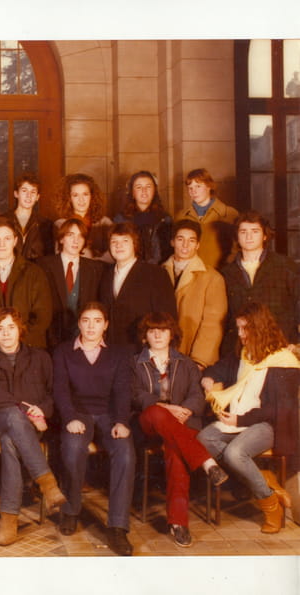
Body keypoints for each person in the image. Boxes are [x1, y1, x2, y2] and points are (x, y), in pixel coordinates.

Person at [197, 302, 300, 534]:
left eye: (246, 328)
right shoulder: (243, 354)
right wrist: (208, 378)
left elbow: (278, 409)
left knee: (235, 453)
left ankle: (270, 505)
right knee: (204, 439)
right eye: (239, 328)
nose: (241, 334)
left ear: (260, 328)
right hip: (238, 420)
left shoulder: (284, 361)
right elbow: (218, 368)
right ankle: (266, 479)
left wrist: (239, 421)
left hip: (268, 424)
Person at [131, 312, 228, 547]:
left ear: (171, 334)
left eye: (163, 330)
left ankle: (178, 523)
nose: (157, 335)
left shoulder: (186, 363)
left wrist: (185, 410)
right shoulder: (134, 363)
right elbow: (135, 394)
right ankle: (207, 463)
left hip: (183, 425)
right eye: (152, 331)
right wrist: (167, 408)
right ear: (144, 336)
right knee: (156, 412)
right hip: (149, 424)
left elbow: (197, 395)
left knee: (176, 454)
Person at [52, 302, 135, 556]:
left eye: (97, 321)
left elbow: (122, 391)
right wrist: (69, 417)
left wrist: (121, 421)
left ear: (105, 325)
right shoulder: (64, 351)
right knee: (73, 448)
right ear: (79, 323)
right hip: (78, 413)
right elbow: (60, 389)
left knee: (125, 453)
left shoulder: (118, 354)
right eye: (86, 320)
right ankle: (70, 510)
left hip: (109, 415)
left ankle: (118, 526)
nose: (91, 326)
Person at [0, 308, 65, 546]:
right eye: (0, 329)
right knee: (14, 418)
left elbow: (52, 394)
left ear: (20, 330)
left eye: (11, 327)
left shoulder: (41, 357)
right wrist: (25, 410)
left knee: (10, 443)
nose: (6, 333)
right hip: (2, 419)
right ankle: (48, 484)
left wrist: (42, 410)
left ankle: (9, 520)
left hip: (34, 423)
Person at [220, 210, 299, 355]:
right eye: (243, 231)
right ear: (237, 236)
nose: (249, 236)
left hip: (281, 345)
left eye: (255, 231)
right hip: (240, 349)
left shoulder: (285, 266)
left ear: (265, 235)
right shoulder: (226, 273)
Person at [161, 219, 227, 369]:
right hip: (163, 356)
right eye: (180, 239)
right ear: (172, 242)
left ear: (198, 245)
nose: (185, 245)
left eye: (191, 241)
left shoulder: (212, 278)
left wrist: (199, 361)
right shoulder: (158, 272)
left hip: (194, 359)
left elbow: (213, 325)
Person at [100, 222, 177, 346]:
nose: (119, 245)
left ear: (135, 244)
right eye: (114, 242)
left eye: (125, 241)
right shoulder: (105, 274)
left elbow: (168, 318)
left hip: (143, 349)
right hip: (111, 349)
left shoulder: (155, 274)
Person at [0, 216, 53, 349]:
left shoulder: (34, 272)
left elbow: (43, 316)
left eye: (7, 239)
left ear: (15, 241)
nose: (1, 244)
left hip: (28, 346)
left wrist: (17, 343)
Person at [38, 218, 103, 348]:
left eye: (80, 236)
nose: (76, 240)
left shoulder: (96, 268)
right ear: (61, 239)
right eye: (70, 235)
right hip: (52, 338)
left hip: (84, 339)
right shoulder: (43, 265)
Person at [175, 168, 238, 269]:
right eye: (190, 188)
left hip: (220, 271)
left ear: (209, 186)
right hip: (190, 271)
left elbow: (237, 248)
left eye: (198, 186)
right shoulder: (181, 216)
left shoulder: (229, 214)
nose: (193, 191)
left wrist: (227, 267)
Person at [113, 171, 172, 264]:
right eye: (139, 187)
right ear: (132, 192)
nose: (144, 191)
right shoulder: (121, 219)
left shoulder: (164, 219)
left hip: (158, 268)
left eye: (148, 187)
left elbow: (167, 252)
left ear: (154, 191)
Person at [53, 173, 112, 261]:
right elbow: (60, 255)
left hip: (101, 267)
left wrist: (92, 264)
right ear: (69, 198)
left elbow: (112, 254)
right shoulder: (60, 224)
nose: (81, 199)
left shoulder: (105, 223)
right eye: (75, 195)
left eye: (85, 194)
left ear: (92, 196)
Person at [1, 173, 54, 261]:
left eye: (33, 192)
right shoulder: (3, 221)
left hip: (35, 269)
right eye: (24, 191)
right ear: (16, 194)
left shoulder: (46, 225)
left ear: (37, 197)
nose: (29, 196)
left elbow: (49, 257)